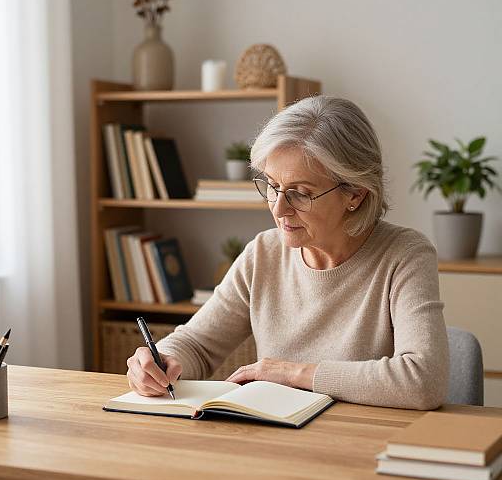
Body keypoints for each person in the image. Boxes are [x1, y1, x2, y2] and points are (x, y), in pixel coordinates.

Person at [126, 96, 449, 410]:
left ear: (356, 194)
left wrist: (293, 373)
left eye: (300, 193)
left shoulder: (405, 255)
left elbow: (423, 381)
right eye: (272, 185)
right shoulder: (264, 253)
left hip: (364, 445)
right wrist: (160, 361)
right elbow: (198, 343)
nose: (279, 208)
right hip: (280, 443)